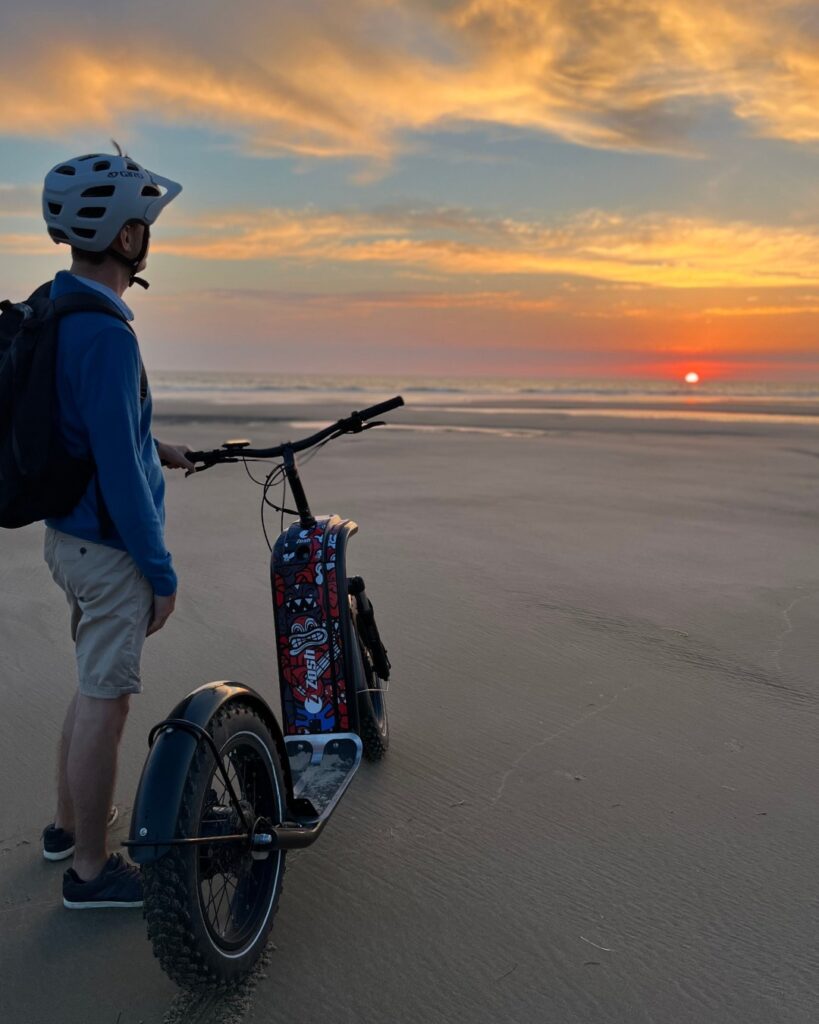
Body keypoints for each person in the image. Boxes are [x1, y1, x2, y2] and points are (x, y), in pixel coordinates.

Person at [38, 148, 190, 909]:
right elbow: (123, 481)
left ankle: (67, 827)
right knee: (108, 698)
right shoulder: (109, 335)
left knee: (90, 686)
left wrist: (152, 438)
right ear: (127, 239)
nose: (147, 235)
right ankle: (91, 874)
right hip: (108, 549)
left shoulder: (56, 307)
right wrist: (159, 571)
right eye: (144, 223)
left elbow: (95, 428)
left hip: (68, 538)